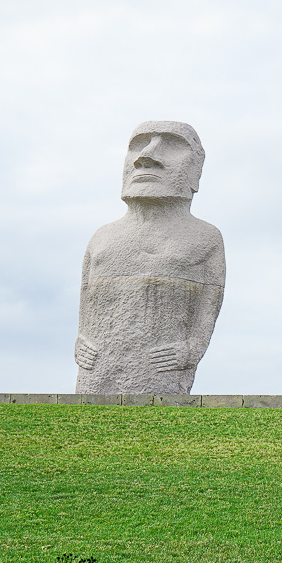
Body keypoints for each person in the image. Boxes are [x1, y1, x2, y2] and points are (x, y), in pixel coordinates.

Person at [75, 121, 225, 394]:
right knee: (89, 411)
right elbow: (86, 295)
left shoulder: (206, 237)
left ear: (195, 169)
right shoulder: (102, 236)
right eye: (138, 145)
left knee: (159, 405)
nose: (147, 156)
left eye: (171, 146)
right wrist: (81, 338)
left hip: (161, 363)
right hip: (97, 361)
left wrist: (192, 349)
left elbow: (210, 301)